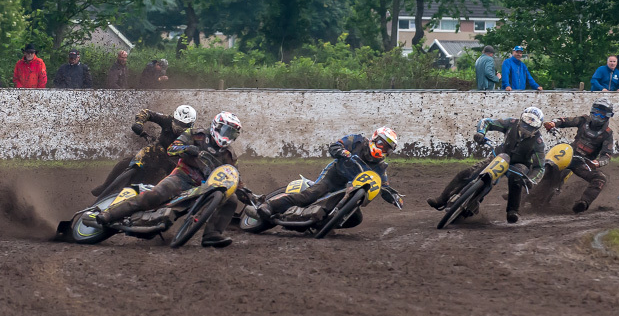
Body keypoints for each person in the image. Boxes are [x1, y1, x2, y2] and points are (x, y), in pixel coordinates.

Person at [89, 112, 243, 248]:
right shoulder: (196, 134)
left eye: (231, 133)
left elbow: (232, 176)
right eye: (225, 130)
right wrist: (187, 148)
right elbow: (171, 149)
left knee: (231, 199)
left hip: (205, 188)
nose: (226, 135)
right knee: (157, 194)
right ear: (216, 126)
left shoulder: (229, 155)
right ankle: (110, 214)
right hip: (182, 176)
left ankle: (212, 235)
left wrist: (248, 195)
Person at [256, 128, 403, 223]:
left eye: (387, 149)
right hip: (333, 175)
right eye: (382, 144)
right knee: (311, 195)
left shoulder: (381, 166)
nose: (383, 149)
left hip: (348, 188)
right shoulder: (357, 141)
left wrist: (395, 198)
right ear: (375, 138)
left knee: (355, 218)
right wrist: (343, 152)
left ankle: (324, 224)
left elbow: (383, 186)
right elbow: (334, 146)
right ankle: (269, 205)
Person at [426, 107, 545, 224]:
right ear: (521, 120)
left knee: (517, 180)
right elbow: (487, 122)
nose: (526, 128)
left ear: (537, 128)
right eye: (525, 124)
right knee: (468, 172)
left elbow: (539, 166)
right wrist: (481, 133)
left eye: (530, 126)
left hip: (519, 165)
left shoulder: (538, 142)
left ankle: (513, 211)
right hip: (499, 155)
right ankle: (441, 199)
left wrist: (531, 180)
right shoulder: (511, 123)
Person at [90, 105, 198, 197]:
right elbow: (147, 113)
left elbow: (203, 150)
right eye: (178, 122)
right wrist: (139, 123)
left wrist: (195, 151)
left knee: (172, 184)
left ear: (191, 125)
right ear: (174, 118)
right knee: (128, 162)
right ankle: (105, 186)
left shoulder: (195, 135)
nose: (179, 127)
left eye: (184, 125)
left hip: (173, 161)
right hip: (156, 151)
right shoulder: (167, 120)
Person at [541, 98, 615, 213]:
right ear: (592, 111)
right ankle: (525, 192)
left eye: (601, 115)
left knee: (600, 179)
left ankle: (583, 202)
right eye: (596, 113)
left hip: (584, 163)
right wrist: (553, 123)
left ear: (607, 116)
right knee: (548, 166)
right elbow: (565, 121)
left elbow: (607, 155)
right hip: (569, 155)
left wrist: (597, 162)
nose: (597, 117)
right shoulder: (583, 120)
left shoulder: (607, 134)